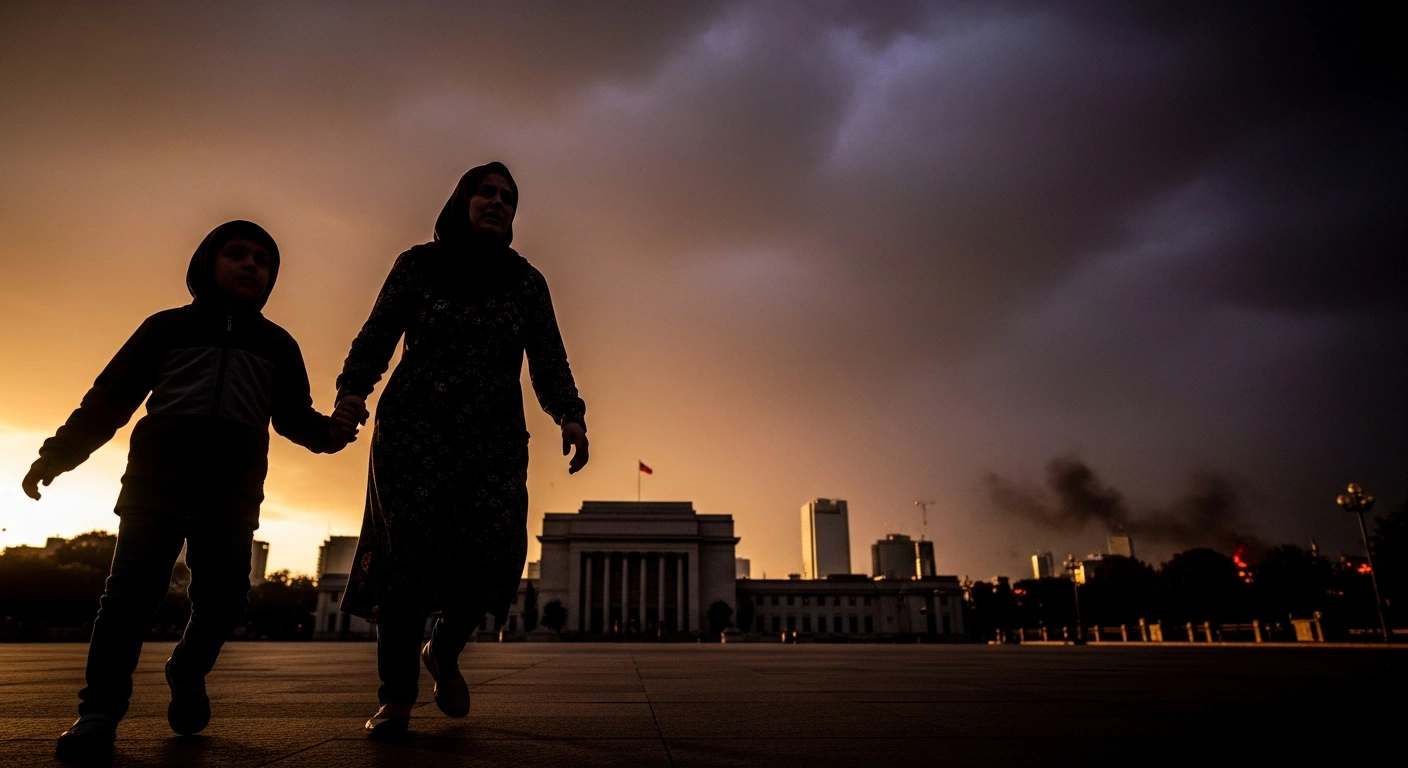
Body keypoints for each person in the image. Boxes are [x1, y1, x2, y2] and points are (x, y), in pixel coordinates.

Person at [23, 221, 357, 761]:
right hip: (155, 486)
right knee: (129, 596)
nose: (251, 265)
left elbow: (296, 420)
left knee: (225, 599)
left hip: (232, 495)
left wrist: (334, 433)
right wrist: (58, 455)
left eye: (263, 261)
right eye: (237, 254)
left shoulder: (277, 345)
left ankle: (187, 667)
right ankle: (99, 712)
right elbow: (108, 400)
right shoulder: (165, 329)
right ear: (207, 262)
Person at [330, 162, 588, 738]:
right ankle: (395, 696)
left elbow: (549, 358)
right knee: (406, 563)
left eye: (508, 198)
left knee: (493, 555)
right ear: (461, 200)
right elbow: (376, 335)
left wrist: (570, 415)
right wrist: (352, 392)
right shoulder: (418, 266)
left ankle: (442, 650)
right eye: (486, 193)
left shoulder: (526, 282)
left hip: (493, 440)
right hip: (412, 437)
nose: (498, 203)